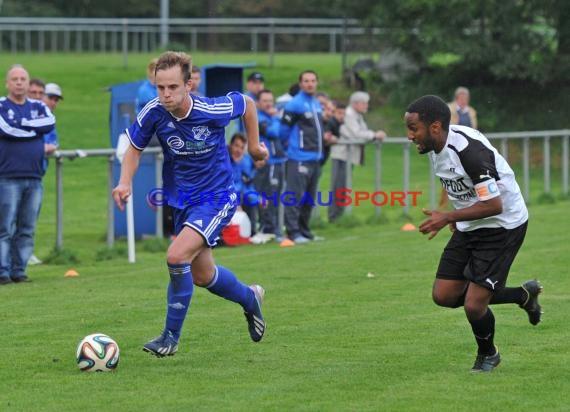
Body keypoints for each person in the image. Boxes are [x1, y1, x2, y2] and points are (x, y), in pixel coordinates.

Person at [112, 51, 268, 357]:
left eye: (173, 87)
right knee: (202, 275)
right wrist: (125, 181)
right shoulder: (153, 112)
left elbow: (247, 104)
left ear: (189, 84)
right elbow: (134, 146)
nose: (166, 94)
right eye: (160, 87)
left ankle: (170, 338)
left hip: (216, 197)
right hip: (182, 200)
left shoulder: (211, 109)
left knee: (176, 255)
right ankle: (250, 299)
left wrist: (253, 146)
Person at [404, 95, 542, 372]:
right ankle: (522, 295)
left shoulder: (469, 151)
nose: (409, 136)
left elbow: (493, 204)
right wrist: (457, 215)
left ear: (434, 127)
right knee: (444, 295)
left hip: (502, 225)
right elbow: (458, 183)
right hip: (471, 222)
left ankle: (488, 354)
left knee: (474, 305)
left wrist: (448, 217)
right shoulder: (435, 146)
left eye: (413, 129)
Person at [0, 64, 55, 284]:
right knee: (4, 227)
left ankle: (19, 270)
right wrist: (34, 129)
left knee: (27, 227)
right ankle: (2, 271)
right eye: (15, 79)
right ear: (7, 83)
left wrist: (22, 124)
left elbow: (49, 123)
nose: (20, 82)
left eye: (23, 79)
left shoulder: (38, 106)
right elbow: (6, 129)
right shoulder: (1, 105)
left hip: (34, 177)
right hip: (7, 177)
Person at [279, 70, 324, 244]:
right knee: (295, 196)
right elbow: (283, 131)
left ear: (317, 83)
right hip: (299, 157)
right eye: (306, 81)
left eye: (313, 80)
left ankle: (304, 231)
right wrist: (290, 147)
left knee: (309, 199)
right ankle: (292, 232)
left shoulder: (316, 103)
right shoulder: (294, 104)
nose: (310, 84)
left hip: (315, 158)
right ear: (300, 83)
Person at [328, 92, 385, 223]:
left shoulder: (357, 116)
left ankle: (339, 217)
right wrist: (375, 135)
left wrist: (372, 135)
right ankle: (334, 218)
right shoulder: (348, 114)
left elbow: (362, 134)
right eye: (364, 103)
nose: (366, 106)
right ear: (355, 103)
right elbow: (357, 134)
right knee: (339, 187)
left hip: (349, 156)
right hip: (342, 155)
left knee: (343, 187)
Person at [252, 89, 286, 244]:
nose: (268, 104)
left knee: (276, 197)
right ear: (258, 103)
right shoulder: (259, 118)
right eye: (265, 101)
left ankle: (273, 227)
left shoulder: (270, 117)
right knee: (269, 196)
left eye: (271, 101)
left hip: (279, 163)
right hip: (268, 163)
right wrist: (277, 118)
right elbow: (273, 133)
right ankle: (269, 228)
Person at [440, 86, 479, 209]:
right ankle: (443, 205)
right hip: (452, 148)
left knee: (468, 176)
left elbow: (474, 128)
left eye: (466, 98)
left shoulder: (471, 111)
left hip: (468, 149)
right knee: (449, 176)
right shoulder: (449, 109)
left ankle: (470, 203)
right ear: (457, 98)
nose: (464, 100)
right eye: (462, 98)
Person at [228, 132, 264, 237]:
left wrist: (258, 198)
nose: (238, 150)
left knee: (255, 199)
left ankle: (254, 232)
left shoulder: (245, 162)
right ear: (231, 145)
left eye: (242, 147)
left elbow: (246, 184)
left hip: (240, 195)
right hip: (225, 196)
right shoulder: (223, 161)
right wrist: (236, 202)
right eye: (236, 146)